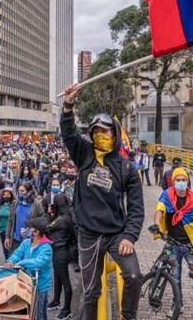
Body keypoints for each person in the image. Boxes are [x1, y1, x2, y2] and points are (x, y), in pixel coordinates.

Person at [60, 83, 144, 320]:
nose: (100, 135)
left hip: (117, 234)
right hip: (88, 235)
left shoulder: (127, 167)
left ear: (115, 134)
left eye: (105, 131)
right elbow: (68, 132)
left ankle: (128, 316)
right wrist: (68, 104)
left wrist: (130, 236)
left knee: (134, 276)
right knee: (91, 293)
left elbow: (137, 208)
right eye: (95, 131)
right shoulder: (83, 154)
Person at [151, 167, 193, 318]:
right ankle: (178, 304)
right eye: (178, 180)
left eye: (184, 180)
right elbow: (160, 209)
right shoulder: (167, 195)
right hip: (173, 244)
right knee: (174, 277)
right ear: (173, 181)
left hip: (189, 246)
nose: (181, 183)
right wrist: (157, 224)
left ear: (188, 182)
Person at [5, 216, 53, 320]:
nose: (29, 230)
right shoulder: (26, 242)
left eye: (31, 228)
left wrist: (21, 263)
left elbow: (39, 263)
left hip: (40, 286)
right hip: (25, 283)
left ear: (37, 232)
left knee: (39, 313)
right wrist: (11, 261)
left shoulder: (46, 248)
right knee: (26, 311)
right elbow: (17, 253)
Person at [46, 202, 73, 320]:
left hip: (62, 252)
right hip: (57, 251)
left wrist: (48, 215)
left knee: (65, 281)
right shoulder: (60, 218)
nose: (49, 208)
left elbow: (47, 227)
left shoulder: (61, 220)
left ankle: (67, 310)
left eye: (51, 206)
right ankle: (56, 301)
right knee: (57, 278)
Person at [5, 182, 44, 254]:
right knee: (13, 261)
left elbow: (42, 220)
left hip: (30, 240)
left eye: (22, 191)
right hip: (15, 239)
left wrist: (32, 229)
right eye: (19, 191)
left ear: (29, 192)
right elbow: (10, 221)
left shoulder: (36, 204)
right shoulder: (15, 203)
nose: (20, 193)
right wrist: (7, 237)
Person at [0, 188, 15, 259]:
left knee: (10, 247)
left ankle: (12, 262)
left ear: (11, 195)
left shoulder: (13, 205)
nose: (6, 196)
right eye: (4, 195)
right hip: (2, 230)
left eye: (8, 194)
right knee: (5, 248)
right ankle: (7, 261)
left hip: (11, 230)